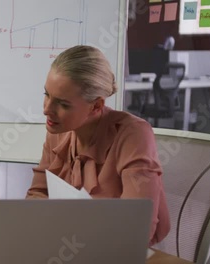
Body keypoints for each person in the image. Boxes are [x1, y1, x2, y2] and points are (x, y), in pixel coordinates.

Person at [26, 45, 170, 246]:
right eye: (46, 94)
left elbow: (137, 228)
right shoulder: (59, 130)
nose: (47, 110)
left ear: (96, 106)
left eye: (63, 104)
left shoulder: (133, 134)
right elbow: (37, 194)